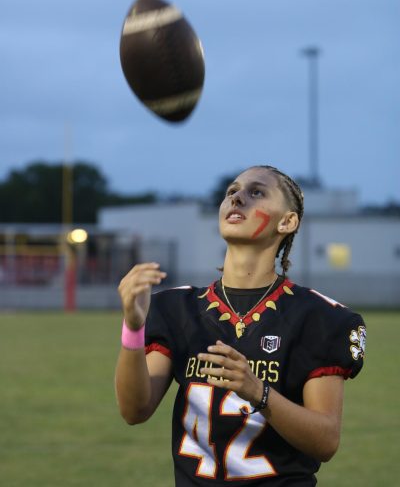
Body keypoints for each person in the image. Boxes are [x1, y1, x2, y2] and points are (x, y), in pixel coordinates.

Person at [115, 165, 366, 486]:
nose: (237, 198)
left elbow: (326, 442)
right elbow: (134, 410)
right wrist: (133, 327)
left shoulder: (320, 317)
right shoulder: (176, 308)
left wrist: (258, 392)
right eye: (231, 192)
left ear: (287, 221)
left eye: (256, 192)